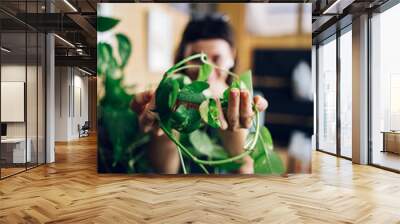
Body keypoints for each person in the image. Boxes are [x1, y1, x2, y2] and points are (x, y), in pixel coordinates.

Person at [131, 14, 268, 174]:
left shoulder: (248, 101)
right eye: (197, 59)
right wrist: (167, 118)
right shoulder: (171, 97)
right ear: (183, 58)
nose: (208, 72)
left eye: (217, 59)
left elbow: (246, 172)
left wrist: (233, 129)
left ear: (232, 56)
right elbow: (165, 171)